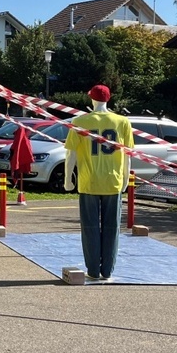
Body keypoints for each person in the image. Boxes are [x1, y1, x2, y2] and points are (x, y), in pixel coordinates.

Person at [63, 84, 134, 282]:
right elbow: (128, 156)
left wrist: (68, 179)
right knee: (112, 228)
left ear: (92, 100)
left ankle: (93, 270)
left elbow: (71, 155)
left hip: (89, 181)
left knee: (90, 228)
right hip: (113, 181)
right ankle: (108, 271)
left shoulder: (79, 121)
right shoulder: (122, 122)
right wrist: (125, 179)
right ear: (108, 99)